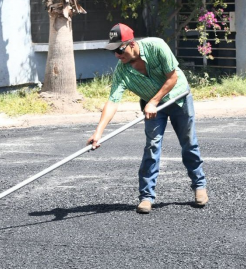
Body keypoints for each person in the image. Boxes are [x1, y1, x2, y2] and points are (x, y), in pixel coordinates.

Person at [86, 23, 208, 214]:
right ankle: (146, 196)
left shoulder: (156, 46)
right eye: (113, 51)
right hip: (153, 108)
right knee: (152, 147)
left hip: (178, 98)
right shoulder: (122, 70)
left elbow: (172, 77)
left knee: (188, 142)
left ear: (131, 43)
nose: (117, 55)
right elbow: (112, 101)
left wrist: (154, 101)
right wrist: (98, 133)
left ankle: (199, 185)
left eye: (120, 50)